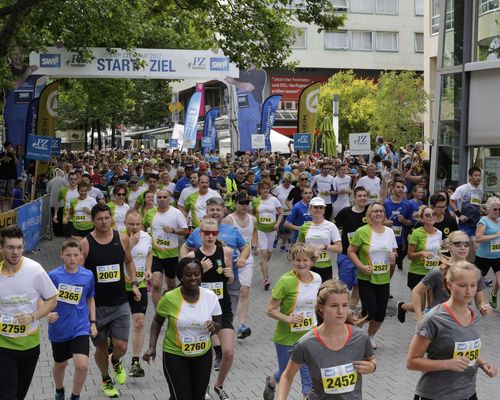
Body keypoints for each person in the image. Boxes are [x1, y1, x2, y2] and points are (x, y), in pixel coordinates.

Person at [406, 260, 497, 400]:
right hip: (436, 395)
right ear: (449, 284)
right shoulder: (434, 318)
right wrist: (447, 364)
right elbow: (412, 362)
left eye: (473, 285)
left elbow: (466, 349)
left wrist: (483, 364)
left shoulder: (474, 315)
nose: (469, 291)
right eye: (462, 285)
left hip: (469, 393)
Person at [277, 279, 376, 400]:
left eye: (344, 305)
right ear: (321, 308)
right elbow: (287, 376)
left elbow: (371, 359)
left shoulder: (361, 337)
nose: (340, 311)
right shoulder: (306, 344)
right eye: (334, 306)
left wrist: (372, 367)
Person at [80, 203, 141, 397]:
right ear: (93, 221)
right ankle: (106, 378)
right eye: (99, 219)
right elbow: (79, 274)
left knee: (121, 346)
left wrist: (134, 283)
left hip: (120, 302)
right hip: (96, 306)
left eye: (107, 218)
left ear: (111, 219)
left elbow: (129, 262)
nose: (104, 222)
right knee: (100, 346)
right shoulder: (86, 243)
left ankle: (116, 360)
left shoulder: (122, 239)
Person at [143, 258, 222, 400]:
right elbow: (156, 321)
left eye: (197, 274)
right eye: (188, 275)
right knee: (182, 396)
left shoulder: (210, 297)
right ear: (181, 276)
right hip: (175, 355)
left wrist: (213, 326)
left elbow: (218, 325)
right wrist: (151, 347)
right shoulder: (170, 298)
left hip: (203, 355)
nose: (193, 278)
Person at [0, 226, 58, 400]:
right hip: (3, 345)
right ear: (1, 248)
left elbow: (52, 299)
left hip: (30, 345)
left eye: (19, 247)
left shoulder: (35, 269)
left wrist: (33, 316)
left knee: (18, 395)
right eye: (10, 247)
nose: (15, 252)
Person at [264, 243, 323, 400]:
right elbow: (270, 310)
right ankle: (271, 382)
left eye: (305, 260)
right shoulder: (286, 281)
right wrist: (288, 319)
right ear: (292, 260)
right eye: (297, 260)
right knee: (286, 371)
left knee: (308, 374)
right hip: (286, 336)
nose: (301, 264)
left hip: (309, 335)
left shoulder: (317, 279)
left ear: (312, 261)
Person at [186, 219, 234, 400]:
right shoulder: (193, 256)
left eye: (214, 233)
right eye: (207, 233)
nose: (211, 236)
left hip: (223, 308)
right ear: (200, 234)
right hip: (202, 310)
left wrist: (230, 277)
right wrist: (201, 272)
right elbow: (186, 285)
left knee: (228, 352)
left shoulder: (226, 252)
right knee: (206, 353)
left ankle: (218, 385)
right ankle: (203, 386)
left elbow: (229, 280)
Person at [401, 231, 491, 324]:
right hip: (440, 321)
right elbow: (417, 291)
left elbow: (480, 301)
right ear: (449, 246)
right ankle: (402, 307)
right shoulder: (439, 271)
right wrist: (419, 319)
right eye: (457, 244)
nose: (463, 247)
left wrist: (483, 307)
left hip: (463, 321)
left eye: (466, 244)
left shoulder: (473, 271)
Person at [47, 238, 97, 400]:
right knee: (61, 364)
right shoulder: (54, 276)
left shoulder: (88, 275)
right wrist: (47, 313)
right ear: (61, 255)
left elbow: (90, 299)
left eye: (76, 254)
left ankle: (75, 396)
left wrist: (93, 322)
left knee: (82, 365)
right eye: (68, 255)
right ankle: (59, 389)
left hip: (80, 326)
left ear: (81, 255)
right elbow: (43, 299)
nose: (72, 258)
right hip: (59, 327)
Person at [347, 202, 397, 349]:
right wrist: (361, 266)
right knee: (370, 311)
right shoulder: (362, 231)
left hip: (383, 278)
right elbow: (351, 251)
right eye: (375, 211)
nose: (378, 213)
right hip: (366, 278)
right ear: (369, 214)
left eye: (381, 211)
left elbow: (393, 251)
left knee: (381, 313)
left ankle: (369, 336)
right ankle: (354, 330)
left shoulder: (389, 232)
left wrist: (394, 256)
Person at [396, 206, 442, 320]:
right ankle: (402, 306)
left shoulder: (439, 233)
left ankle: (431, 330)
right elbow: (410, 255)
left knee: (433, 305)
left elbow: (438, 252)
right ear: (422, 219)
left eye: (433, 214)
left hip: (433, 272)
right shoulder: (417, 233)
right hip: (417, 273)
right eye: (427, 215)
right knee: (420, 307)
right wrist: (422, 253)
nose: (431, 216)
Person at [222, 193, 258, 339]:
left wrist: (255, 244)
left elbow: (254, 232)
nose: (245, 205)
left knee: (244, 291)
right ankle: (228, 320)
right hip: (230, 260)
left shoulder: (253, 219)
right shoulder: (228, 220)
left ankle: (242, 325)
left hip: (247, 259)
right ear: (235, 203)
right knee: (232, 292)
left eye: (247, 202)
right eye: (242, 202)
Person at [143, 189, 188, 302]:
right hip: (155, 254)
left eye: (165, 197)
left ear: (169, 199)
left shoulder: (176, 213)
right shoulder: (150, 213)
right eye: (159, 197)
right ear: (156, 199)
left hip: (171, 254)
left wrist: (173, 230)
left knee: (171, 285)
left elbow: (186, 231)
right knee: (156, 284)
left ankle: (170, 307)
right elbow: (142, 227)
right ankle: (159, 314)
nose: (162, 200)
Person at [124, 209, 152, 378]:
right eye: (131, 224)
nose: (134, 227)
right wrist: (130, 244)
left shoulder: (147, 237)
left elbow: (149, 253)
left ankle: (135, 361)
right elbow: (115, 258)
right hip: (121, 286)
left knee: (140, 322)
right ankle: (115, 353)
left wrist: (148, 268)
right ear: (124, 223)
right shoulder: (118, 238)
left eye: (137, 224)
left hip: (139, 284)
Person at [334, 187, 369, 311]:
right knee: (344, 285)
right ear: (354, 198)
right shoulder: (345, 212)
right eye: (360, 196)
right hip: (346, 255)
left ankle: (350, 311)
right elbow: (333, 228)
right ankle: (342, 306)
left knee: (358, 285)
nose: (362, 198)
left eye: (365, 196)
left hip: (364, 256)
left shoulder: (370, 212)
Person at [297, 197, 342, 282]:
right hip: (308, 266)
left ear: (324, 210)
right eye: (315, 207)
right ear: (310, 209)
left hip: (326, 267)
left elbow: (339, 248)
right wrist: (307, 249)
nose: (318, 210)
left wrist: (324, 246)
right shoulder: (304, 227)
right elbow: (297, 247)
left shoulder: (331, 226)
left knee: (324, 293)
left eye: (321, 207)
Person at [252, 179, 283, 290]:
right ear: (260, 189)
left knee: (268, 256)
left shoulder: (274, 200)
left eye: (267, 188)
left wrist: (277, 224)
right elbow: (253, 216)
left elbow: (280, 214)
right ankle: (266, 279)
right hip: (261, 230)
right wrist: (253, 235)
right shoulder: (256, 201)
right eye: (263, 188)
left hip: (272, 231)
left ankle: (263, 264)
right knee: (264, 254)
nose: (265, 190)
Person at [450, 167, 483, 260]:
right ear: (470, 177)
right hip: (463, 225)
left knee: (474, 252)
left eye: (479, 176)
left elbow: (477, 205)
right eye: (476, 175)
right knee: (462, 250)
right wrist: (459, 215)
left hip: (475, 225)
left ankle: (470, 270)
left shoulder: (480, 191)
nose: (478, 178)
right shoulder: (462, 189)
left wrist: (483, 210)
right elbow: (451, 201)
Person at [474, 196, 500, 309]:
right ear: (489, 209)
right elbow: (478, 238)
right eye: (495, 209)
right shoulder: (483, 221)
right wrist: (495, 235)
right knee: (476, 283)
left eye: (499, 209)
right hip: (483, 257)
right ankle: (475, 304)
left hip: (497, 256)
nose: (497, 212)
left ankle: (493, 294)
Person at [383, 178, 413, 271]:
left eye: (402, 187)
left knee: (395, 261)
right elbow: (379, 221)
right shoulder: (386, 203)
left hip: (401, 239)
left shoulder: (408, 204)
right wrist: (385, 222)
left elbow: (410, 222)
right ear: (393, 188)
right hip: (386, 239)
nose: (400, 189)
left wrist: (403, 220)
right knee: (389, 264)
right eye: (398, 187)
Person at [54, 171, 79, 238]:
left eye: (75, 179)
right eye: (71, 179)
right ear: (68, 180)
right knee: (68, 239)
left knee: (76, 240)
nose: (73, 181)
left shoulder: (80, 190)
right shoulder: (63, 190)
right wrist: (55, 214)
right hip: (66, 219)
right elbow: (57, 202)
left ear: (77, 180)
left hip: (77, 219)